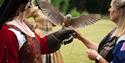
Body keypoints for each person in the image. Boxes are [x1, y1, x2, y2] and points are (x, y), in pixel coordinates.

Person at [0, 0, 75, 63]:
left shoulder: (26, 26)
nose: (32, 4)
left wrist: (58, 36)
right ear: (26, 5)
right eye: (30, 2)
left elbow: (40, 45)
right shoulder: (9, 32)